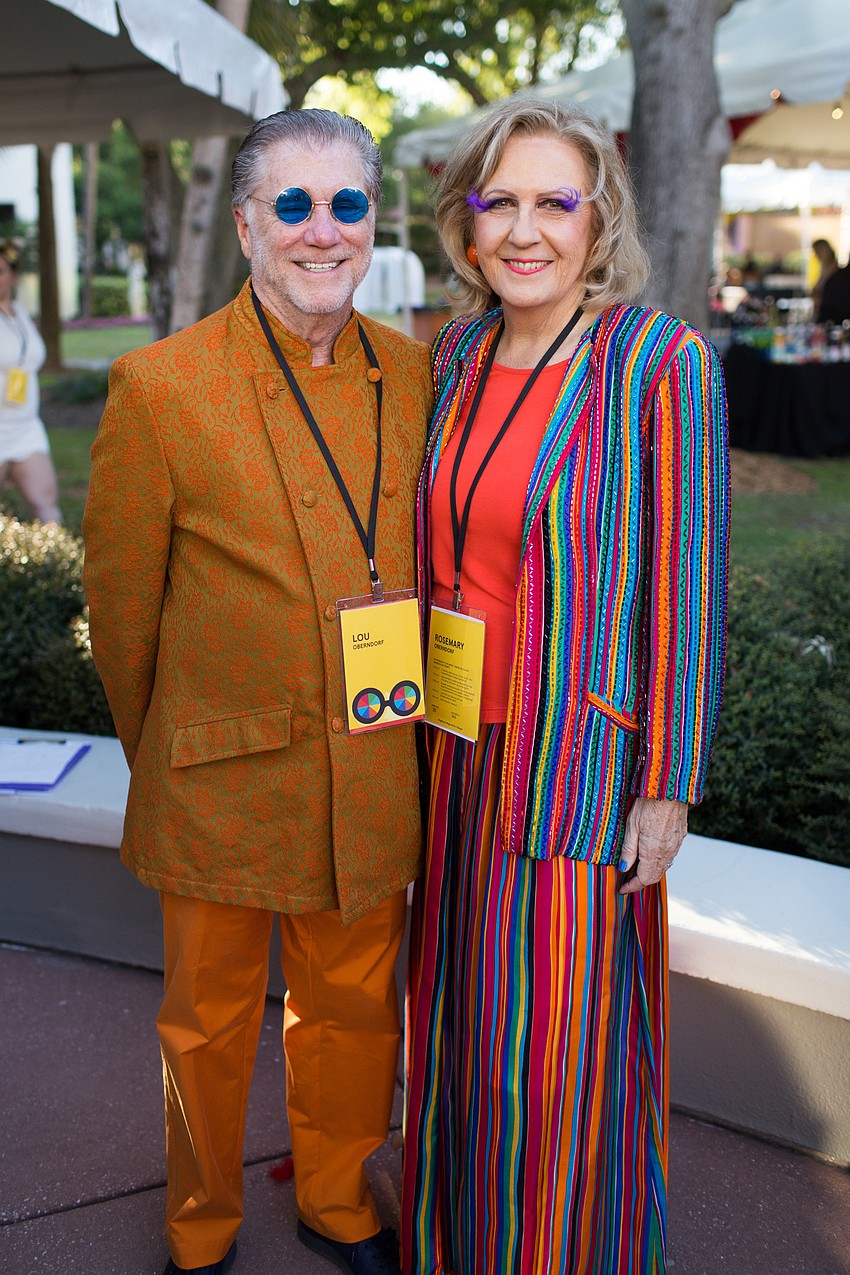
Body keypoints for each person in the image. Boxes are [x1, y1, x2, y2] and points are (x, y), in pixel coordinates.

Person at [82, 109, 433, 1275]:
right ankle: (199, 1226)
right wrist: (166, 750)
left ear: (370, 224)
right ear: (245, 226)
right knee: (206, 1024)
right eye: (293, 204)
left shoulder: (421, 376)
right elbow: (123, 613)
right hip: (216, 773)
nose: (321, 231)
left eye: (345, 204)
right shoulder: (158, 385)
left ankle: (337, 1201)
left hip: (374, 757)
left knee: (355, 1012)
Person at [401, 99, 729, 1275]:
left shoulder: (655, 362)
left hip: (573, 763)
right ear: (465, 222)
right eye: (498, 202)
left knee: (547, 1057)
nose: (524, 230)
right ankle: (454, 1247)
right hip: (446, 748)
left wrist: (668, 785)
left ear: (600, 220)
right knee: (451, 1028)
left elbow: (687, 583)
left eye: (554, 201)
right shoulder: (454, 354)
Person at [0, 239, 61, 523]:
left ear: (13, 276)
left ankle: (56, 552)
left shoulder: (20, 313)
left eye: (1, 271)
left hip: (26, 427)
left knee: (47, 505)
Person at [811, 238, 838, 317]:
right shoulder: (824, 269)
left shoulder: (833, 270)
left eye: (818, 251)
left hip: (830, 312)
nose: (816, 255)